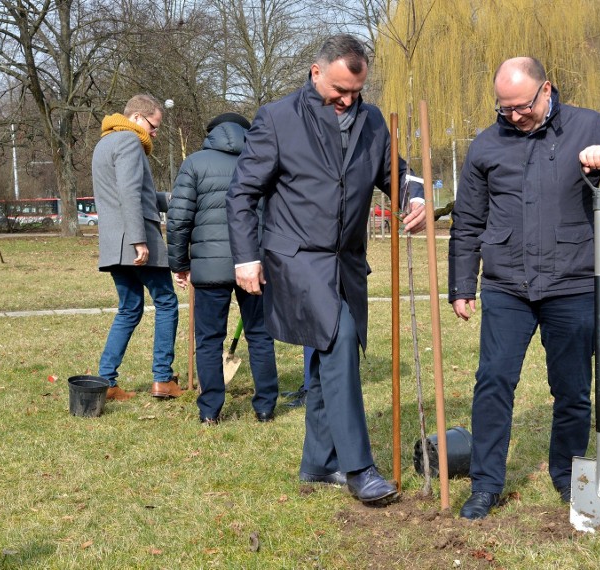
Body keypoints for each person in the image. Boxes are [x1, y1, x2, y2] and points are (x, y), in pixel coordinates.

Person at [448, 57, 600, 519]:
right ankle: (485, 484)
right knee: (493, 383)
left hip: (572, 283)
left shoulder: (589, 126)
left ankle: (568, 477)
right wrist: (463, 284)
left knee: (573, 389)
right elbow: (467, 222)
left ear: (547, 90)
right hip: (506, 285)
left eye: (521, 106)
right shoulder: (486, 145)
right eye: (504, 109)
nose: (514, 116)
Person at [226, 34, 426, 505]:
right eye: (339, 89)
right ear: (316, 73)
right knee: (337, 342)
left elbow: (395, 172)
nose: (347, 100)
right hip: (295, 258)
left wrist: (413, 196)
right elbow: (241, 194)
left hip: (348, 262)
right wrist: (246, 257)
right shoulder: (278, 119)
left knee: (332, 353)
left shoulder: (372, 120)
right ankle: (359, 468)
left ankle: (318, 462)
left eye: (356, 91)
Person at [166, 112, 279, 424]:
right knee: (260, 334)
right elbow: (275, 217)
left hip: (208, 268)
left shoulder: (195, 164)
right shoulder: (261, 163)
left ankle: (210, 411)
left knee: (208, 340)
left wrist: (179, 263)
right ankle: (266, 406)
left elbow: (178, 219)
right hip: (254, 264)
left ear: (211, 133)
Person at [92, 94, 181, 401]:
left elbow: (130, 193)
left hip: (113, 244)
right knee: (167, 302)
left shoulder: (105, 143)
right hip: (136, 240)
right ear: (138, 118)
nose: (155, 133)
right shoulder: (130, 142)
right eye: (154, 125)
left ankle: (107, 381)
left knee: (129, 309)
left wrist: (170, 199)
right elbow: (129, 193)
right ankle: (163, 379)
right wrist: (139, 240)